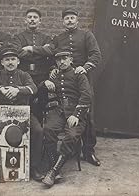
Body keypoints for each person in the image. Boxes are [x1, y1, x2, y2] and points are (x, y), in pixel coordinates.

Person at [0, 45, 44, 181]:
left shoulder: (24, 75)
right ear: (2, 62)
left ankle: (34, 167)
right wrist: (0, 89)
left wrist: (18, 90)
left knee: (38, 131)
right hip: (0, 114)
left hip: (22, 114)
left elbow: (33, 88)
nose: (10, 62)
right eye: (7, 60)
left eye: (13, 59)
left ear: (18, 61)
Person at [50, 8, 102, 166]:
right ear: (63, 22)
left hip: (82, 77)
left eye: (72, 18)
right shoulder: (58, 38)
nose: (70, 21)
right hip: (65, 78)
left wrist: (85, 67)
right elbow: (51, 55)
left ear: (77, 20)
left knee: (87, 115)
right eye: (66, 18)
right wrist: (53, 69)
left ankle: (88, 151)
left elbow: (96, 55)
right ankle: (70, 147)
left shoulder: (87, 35)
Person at [40, 51, 92, 187]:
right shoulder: (55, 75)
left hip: (75, 112)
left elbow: (87, 96)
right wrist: (45, 82)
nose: (61, 62)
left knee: (72, 135)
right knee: (48, 129)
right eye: (58, 60)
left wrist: (77, 114)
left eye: (64, 59)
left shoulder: (78, 74)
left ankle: (53, 171)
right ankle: (54, 169)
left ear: (70, 60)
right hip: (59, 111)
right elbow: (42, 89)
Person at [11, 7, 53, 123]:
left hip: (41, 76)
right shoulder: (18, 37)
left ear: (40, 21)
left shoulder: (46, 38)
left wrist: (31, 49)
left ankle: (38, 135)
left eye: (35, 17)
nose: (32, 20)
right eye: (29, 17)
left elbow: (50, 51)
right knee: (24, 103)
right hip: (24, 75)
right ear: (25, 20)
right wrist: (41, 51)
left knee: (40, 105)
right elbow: (17, 52)